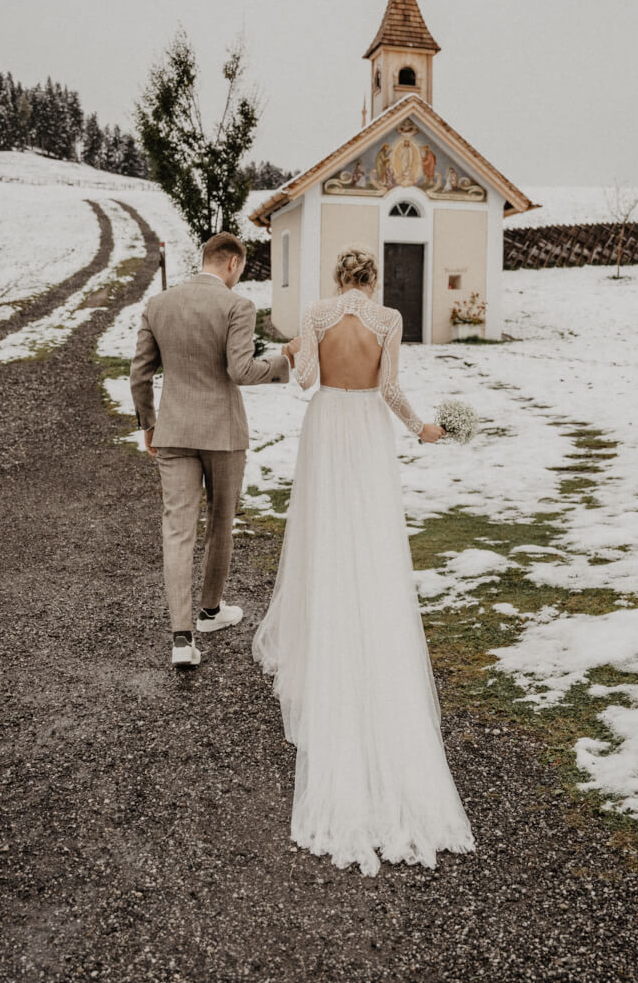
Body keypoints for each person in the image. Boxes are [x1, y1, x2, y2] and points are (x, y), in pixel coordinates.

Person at [252, 243, 474, 876]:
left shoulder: (318, 314)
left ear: (335, 279)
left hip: (326, 425)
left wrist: (297, 349)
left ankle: (325, 619)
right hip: (369, 430)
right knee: (369, 528)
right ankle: (366, 612)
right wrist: (423, 429)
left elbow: (304, 383)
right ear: (371, 280)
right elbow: (393, 389)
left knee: (324, 526)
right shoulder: (389, 320)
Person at [130, 232, 290, 668]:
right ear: (234, 264)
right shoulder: (236, 306)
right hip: (223, 433)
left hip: (174, 432)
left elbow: (139, 376)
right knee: (221, 521)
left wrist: (148, 424)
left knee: (177, 530)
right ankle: (211, 611)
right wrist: (283, 362)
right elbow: (240, 370)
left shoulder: (158, 304)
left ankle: (182, 639)